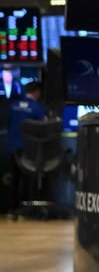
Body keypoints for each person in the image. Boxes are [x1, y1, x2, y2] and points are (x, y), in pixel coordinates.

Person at [7, 80, 45, 215]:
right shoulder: (37, 108)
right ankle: (28, 210)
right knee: (29, 179)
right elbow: (43, 129)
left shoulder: (13, 105)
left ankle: (12, 209)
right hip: (30, 150)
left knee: (15, 179)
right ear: (37, 92)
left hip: (13, 147)